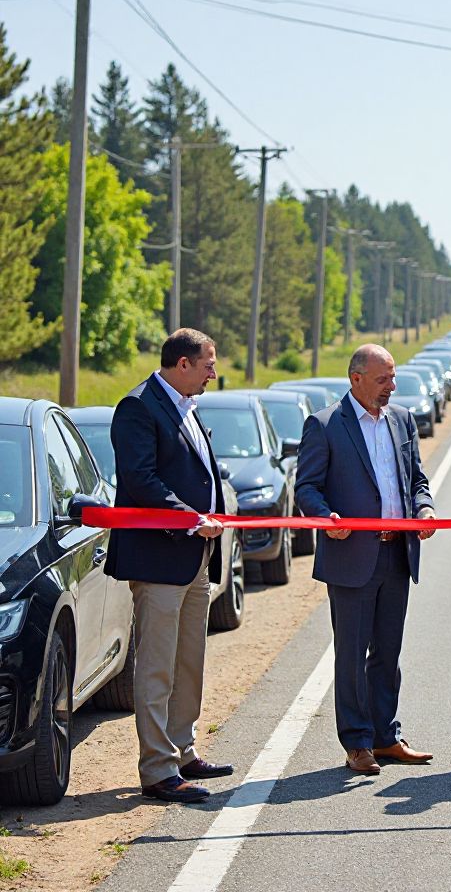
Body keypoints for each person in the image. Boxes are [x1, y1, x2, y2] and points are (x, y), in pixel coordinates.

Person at [295, 344, 436, 776]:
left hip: (397, 553)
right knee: (352, 654)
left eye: (393, 379)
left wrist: (425, 508)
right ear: (356, 379)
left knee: (387, 654)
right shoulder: (324, 425)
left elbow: (416, 479)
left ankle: (385, 736)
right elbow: (307, 489)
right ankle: (356, 742)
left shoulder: (402, 420)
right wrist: (324, 518)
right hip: (352, 556)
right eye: (382, 380)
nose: (391, 387)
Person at [107, 328, 231, 803]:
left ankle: (183, 751)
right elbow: (140, 479)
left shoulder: (186, 405)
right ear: (183, 365)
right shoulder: (137, 407)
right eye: (208, 365)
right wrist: (190, 519)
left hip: (195, 557)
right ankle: (158, 770)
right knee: (157, 667)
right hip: (160, 557)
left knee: (189, 661)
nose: (214, 373)